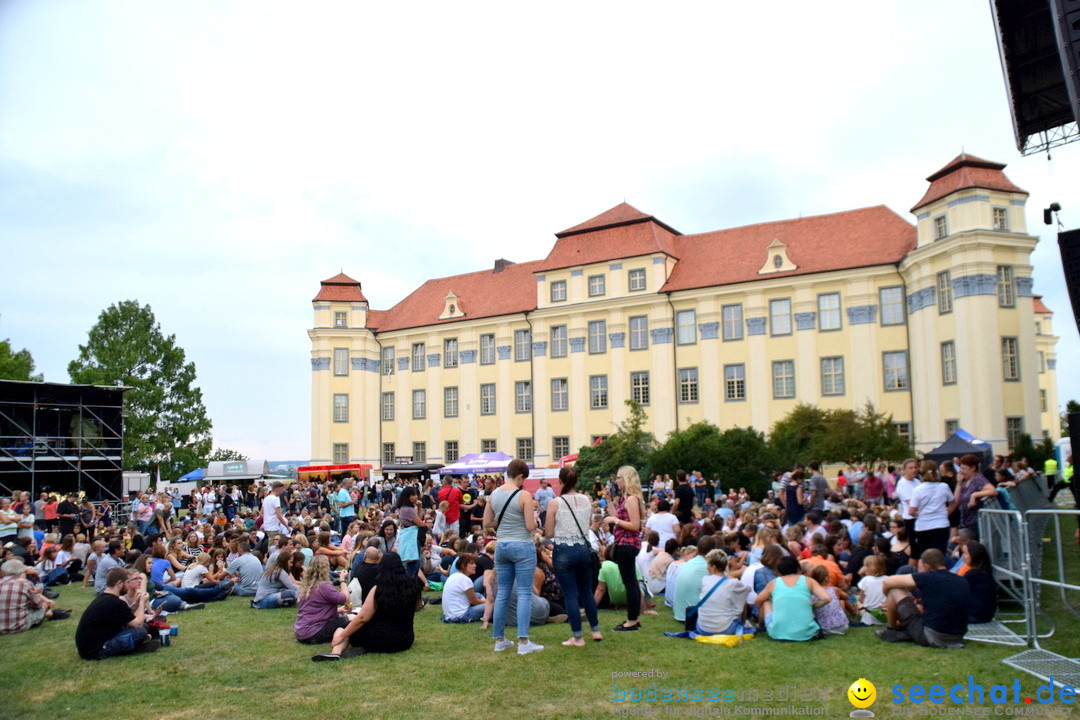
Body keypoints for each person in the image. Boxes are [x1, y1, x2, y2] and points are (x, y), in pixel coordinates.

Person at [483, 458, 543, 654]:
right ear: (519, 476)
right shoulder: (524, 495)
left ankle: (500, 639)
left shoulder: (494, 494)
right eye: (523, 479)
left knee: (502, 593)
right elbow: (529, 527)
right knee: (525, 593)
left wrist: (504, 522)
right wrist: (534, 520)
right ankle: (523, 642)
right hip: (522, 546)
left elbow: (487, 522)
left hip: (502, 545)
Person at [313, 552, 422, 660]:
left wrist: (342, 635)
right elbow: (417, 607)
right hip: (404, 639)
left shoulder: (378, 589)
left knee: (343, 628)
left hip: (379, 638)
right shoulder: (414, 586)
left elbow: (362, 618)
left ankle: (335, 652)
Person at [543, 466, 603, 646]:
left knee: (570, 593)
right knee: (587, 592)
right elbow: (587, 522)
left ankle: (578, 636)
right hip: (583, 549)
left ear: (560, 481)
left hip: (563, 550)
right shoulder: (586, 499)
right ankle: (596, 630)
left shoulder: (555, 503)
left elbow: (548, 531)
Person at [877, 548, 972, 648]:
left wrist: (889, 601)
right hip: (958, 636)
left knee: (894, 590)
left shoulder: (927, 577)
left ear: (926, 566)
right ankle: (900, 629)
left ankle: (891, 629)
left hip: (932, 636)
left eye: (920, 567)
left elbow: (887, 582)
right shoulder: (962, 580)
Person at [75, 567, 160, 659]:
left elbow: (125, 617)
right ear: (119, 583)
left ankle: (137, 644)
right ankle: (136, 647)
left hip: (88, 647)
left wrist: (134, 605)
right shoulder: (115, 602)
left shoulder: (105, 598)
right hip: (97, 650)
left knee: (144, 627)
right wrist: (141, 603)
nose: (128, 586)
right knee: (140, 631)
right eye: (127, 582)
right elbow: (138, 624)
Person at [604, 465, 646, 632]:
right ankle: (633, 618)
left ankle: (632, 620)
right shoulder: (625, 498)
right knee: (629, 582)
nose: (616, 481)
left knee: (630, 583)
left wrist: (615, 521)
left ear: (626, 479)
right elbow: (617, 515)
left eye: (619, 478)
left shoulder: (631, 499)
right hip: (623, 543)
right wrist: (608, 500)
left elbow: (634, 525)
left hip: (628, 544)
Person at [754, 556, 832, 642]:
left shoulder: (774, 583)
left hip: (778, 633)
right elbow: (826, 598)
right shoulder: (808, 581)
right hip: (807, 633)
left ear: (779, 570)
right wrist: (813, 605)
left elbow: (758, 600)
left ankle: (761, 625)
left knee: (766, 601)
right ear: (798, 568)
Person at [0, 558, 68, 634]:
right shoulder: (24, 583)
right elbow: (37, 605)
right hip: (18, 626)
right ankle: (48, 614)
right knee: (44, 606)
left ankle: (48, 614)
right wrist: (40, 595)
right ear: (21, 570)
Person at [295, 555, 351, 644]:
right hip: (314, 633)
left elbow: (313, 608)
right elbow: (345, 599)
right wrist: (342, 580)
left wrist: (339, 610)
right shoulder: (323, 586)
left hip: (301, 632)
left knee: (343, 618)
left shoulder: (307, 585)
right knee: (351, 619)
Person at [692, 550, 750, 635]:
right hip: (724, 629)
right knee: (741, 601)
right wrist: (728, 573)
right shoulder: (732, 583)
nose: (707, 567)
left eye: (708, 565)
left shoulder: (705, 580)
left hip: (702, 628)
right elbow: (747, 590)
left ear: (714, 567)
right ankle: (744, 623)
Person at [908, 460, 953, 558]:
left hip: (923, 526)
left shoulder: (918, 489)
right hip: (941, 524)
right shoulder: (943, 486)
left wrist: (919, 514)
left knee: (925, 557)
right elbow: (953, 502)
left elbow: (911, 511)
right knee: (940, 556)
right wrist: (946, 513)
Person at [952, 454, 997, 537]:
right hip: (965, 522)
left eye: (964, 468)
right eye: (960, 468)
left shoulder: (978, 479)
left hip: (975, 523)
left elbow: (993, 491)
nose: (961, 471)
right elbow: (956, 500)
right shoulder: (965, 481)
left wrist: (975, 495)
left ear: (973, 468)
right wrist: (959, 483)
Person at [441, 552, 485, 623]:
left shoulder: (454, 575)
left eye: (474, 563)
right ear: (463, 566)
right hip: (462, 615)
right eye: (471, 564)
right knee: (492, 605)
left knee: (478, 595)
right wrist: (488, 602)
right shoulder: (465, 579)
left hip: (450, 614)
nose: (475, 566)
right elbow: (474, 601)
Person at [963, 541, 997, 624]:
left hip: (975, 616)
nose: (963, 556)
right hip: (984, 615)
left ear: (974, 556)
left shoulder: (974, 574)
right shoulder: (984, 572)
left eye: (965, 553)